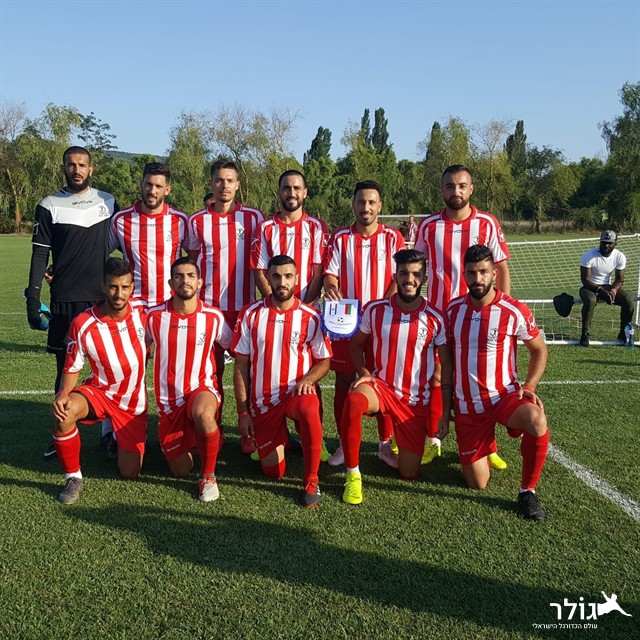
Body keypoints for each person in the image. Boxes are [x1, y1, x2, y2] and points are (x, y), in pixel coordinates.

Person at [438, 245, 549, 521]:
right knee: (478, 483)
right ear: (464, 274)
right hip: (468, 406)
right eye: (471, 272)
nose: (477, 278)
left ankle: (527, 492)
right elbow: (447, 365)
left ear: (494, 274)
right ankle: (486, 444)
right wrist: (444, 408)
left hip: (504, 397)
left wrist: (529, 387)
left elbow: (539, 350)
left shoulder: (513, 310)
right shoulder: (452, 311)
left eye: (483, 272)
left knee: (536, 419)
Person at [25, 146, 118, 459]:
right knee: (65, 370)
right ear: (63, 167)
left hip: (102, 299)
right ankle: (61, 431)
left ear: (91, 169)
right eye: (71, 164)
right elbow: (40, 253)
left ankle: (111, 433)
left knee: (110, 367)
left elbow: (123, 241)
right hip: (65, 298)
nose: (76, 170)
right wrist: (33, 296)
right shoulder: (49, 205)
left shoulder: (108, 202)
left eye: (82, 165)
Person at [415, 164, 510, 469]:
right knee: (437, 377)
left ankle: (488, 445)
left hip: (478, 315)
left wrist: (501, 310)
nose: (455, 191)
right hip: (440, 317)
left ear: (471, 188)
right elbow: (418, 269)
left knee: (480, 379)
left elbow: (501, 268)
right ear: (441, 189)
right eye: (449, 186)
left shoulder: (487, 223)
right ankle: (434, 440)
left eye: (461, 185)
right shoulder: (429, 226)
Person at [340, 249, 451, 505]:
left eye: (416, 274)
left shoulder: (435, 318)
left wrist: (444, 411)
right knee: (354, 400)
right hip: (381, 388)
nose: (409, 279)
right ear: (395, 276)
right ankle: (353, 474)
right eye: (404, 273)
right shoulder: (375, 310)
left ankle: (401, 447)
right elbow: (355, 345)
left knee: (408, 473)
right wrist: (364, 373)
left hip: (414, 402)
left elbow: (446, 365)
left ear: (424, 279)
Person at [232, 255, 331, 508]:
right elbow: (240, 365)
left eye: (288, 276)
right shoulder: (251, 314)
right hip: (263, 401)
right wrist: (243, 412)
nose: (282, 282)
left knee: (309, 406)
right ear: (267, 278)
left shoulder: (311, 316)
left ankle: (312, 480)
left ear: (297, 279)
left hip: (295, 393)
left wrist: (308, 379)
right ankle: (284, 439)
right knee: (273, 472)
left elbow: (324, 361)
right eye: (276, 276)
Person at [50, 258, 147, 504]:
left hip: (133, 402)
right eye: (113, 287)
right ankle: (73, 477)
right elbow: (72, 366)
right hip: (100, 392)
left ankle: (114, 436)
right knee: (64, 412)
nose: (119, 294)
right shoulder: (83, 323)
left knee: (130, 472)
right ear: (103, 286)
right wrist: (62, 394)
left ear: (132, 287)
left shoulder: (143, 311)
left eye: (124, 287)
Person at [323, 180, 405, 468]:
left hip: (382, 323)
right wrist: (330, 287)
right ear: (353, 205)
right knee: (344, 381)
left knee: (383, 382)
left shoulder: (393, 237)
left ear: (379, 206)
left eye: (371, 202)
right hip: (347, 323)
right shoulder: (340, 238)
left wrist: (383, 306)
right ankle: (344, 444)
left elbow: (399, 278)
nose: (366, 207)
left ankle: (385, 444)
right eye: (361, 202)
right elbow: (330, 274)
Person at [187, 160, 265, 452]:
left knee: (251, 373)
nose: (224, 186)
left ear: (237, 184)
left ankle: (250, 432)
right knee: (211, 373)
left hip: (245, 309)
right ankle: (214, 430)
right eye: (219, 180)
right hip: (210, 311)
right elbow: (192, 262)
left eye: (230, 180)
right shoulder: (197, 221)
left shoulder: (254, 218)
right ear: (211, 184)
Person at [146, 257, 233, 502]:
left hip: (201, 388)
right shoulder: (153, 317)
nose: (185, 280)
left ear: (200, 282)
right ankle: (201, 438)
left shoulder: (213, 316)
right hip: (169, 402)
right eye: (179, 276)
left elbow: (236, 347)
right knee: (180, 470)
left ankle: (209, 477)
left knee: (204, 413)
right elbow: (135, 350)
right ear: (170, 283)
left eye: (191, 275)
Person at [110, 162, 190, 308]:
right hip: (133, 304)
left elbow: (195, 258)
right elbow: (99, 254)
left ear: (167, 190)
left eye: (158, 186)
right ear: (141, 185)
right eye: (148, 184)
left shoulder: (180, 220)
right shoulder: (121, 220)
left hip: (170, 303)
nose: (152, 191)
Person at [250, 169, 327, 306]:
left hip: (308, 309)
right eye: (286, 188)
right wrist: (279, 306)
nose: (292, 193)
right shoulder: (264, 228)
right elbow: (260, 273)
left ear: (305, 192)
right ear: (279, 192)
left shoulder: (317, 227)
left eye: (297, 188)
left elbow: (318, 274)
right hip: (275, 310)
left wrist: (303, 309)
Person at [579, 230, 634, 346]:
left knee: (628, 300)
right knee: (591, 300)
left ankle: (624, 334)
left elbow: (619, 280)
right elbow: (585, 279)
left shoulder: (619, 257)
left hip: (607, 287)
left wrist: (613, 291)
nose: (606, 245)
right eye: (604, 242)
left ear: (615, 244)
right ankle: (585, 334)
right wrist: (600, 290)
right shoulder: (588, 255)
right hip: (588, 287)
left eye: (610, 243)